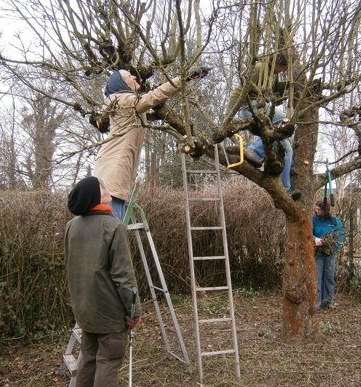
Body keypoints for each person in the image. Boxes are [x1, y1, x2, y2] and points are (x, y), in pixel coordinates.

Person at [65, 176, 142, 387]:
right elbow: (124, 277)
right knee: (107, 363)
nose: (108, 189)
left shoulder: (72, 226)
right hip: (109, 313)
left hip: (85, 309)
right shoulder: (113, 227)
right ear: (95, 196)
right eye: (102, 187)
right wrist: (134, 312)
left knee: (87, 361)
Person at [94, 67, 209, 220]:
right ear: (121, 83)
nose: (135, 78)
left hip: (110, 170)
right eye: (130, 77)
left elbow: (145, 114)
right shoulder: (124, 100)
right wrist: (185, 78)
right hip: (114, 173)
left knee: (112, 229)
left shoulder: (125, 105)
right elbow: (154, 96)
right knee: (112, 231)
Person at [226, 53, 300, 201]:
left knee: (287, 149)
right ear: (277, 63)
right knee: (286, 120)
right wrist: (228, 117)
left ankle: (286, 189)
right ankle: (254, 150)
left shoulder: (272, 73)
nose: (283, 71)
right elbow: (240, 90)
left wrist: (292, 84)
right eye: (283, 68)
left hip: (264, 109)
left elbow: (275, 88)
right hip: (250, 107)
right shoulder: (260, 68)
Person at [312, 199, 345, 309]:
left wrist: (332, 248)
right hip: (318, 253)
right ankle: (317, 303)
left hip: (330, 253)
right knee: (317, 277)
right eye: (315, 209)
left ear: (324, 210)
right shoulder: (314, 220)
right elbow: (308, 232)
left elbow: (340, 236)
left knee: (329, 277)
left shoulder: (334, 221)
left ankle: (329, 301)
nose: (316, 211)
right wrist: (314, 239)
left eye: (318, 209)